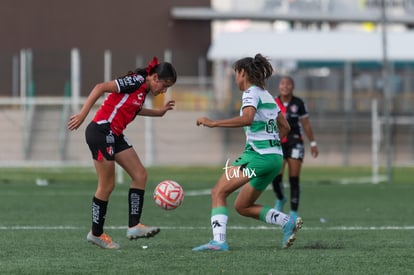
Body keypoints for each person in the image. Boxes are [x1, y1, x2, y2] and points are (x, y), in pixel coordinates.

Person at [192, 54, 302, 251]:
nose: (235, 78)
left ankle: (219, 241)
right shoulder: (266, 94)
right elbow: (284, 126)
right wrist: (272, 144)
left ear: (243, 73)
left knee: (218, 191)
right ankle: (287, 221)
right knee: (242, 206)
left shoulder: (251, 92)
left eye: (236, 73)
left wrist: (214, 122)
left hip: (257, 157)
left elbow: (248, 118)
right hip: (274, 159)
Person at [67, 56, 177, 249]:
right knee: (107, 185)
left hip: (115, 134)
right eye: (164, 85)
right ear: (154, 77)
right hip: (101, 131)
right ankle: (96, 233)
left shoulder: (143, 91)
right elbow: (100, 87)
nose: (164, 90)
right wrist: (83, 114)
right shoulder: (136, 81)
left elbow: (134, 109)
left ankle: (134, 226)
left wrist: (158, 113)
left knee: (140, 175)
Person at [271, 76, 318, 221]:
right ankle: (281, 198)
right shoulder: (273, 102)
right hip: (278, 142)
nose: (285, 86)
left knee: (294, 178)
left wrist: (313, 143)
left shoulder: (298, 103)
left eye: (288, 84)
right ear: (279, 87)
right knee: (275, 175)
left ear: (293, 87)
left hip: (295, 141)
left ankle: (293, 211)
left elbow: (306, 124)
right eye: (282, 83)